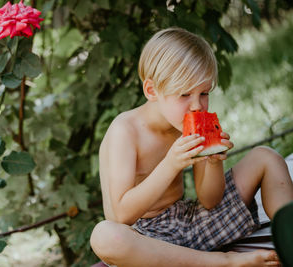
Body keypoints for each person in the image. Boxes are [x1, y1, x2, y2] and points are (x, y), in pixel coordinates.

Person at [90, 27, 293, 267]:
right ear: (152, 90)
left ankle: (288, 239)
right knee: (105, 237)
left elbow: (210, 200)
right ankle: (222, 262)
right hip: (148, 241)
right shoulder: (125, 131)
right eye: (184, 94)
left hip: (190, 223)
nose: (197, 106)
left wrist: (214, 162)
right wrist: (170, 164)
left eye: (204, 93)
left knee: (265, 157)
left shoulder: (186, 123)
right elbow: (120, 216)